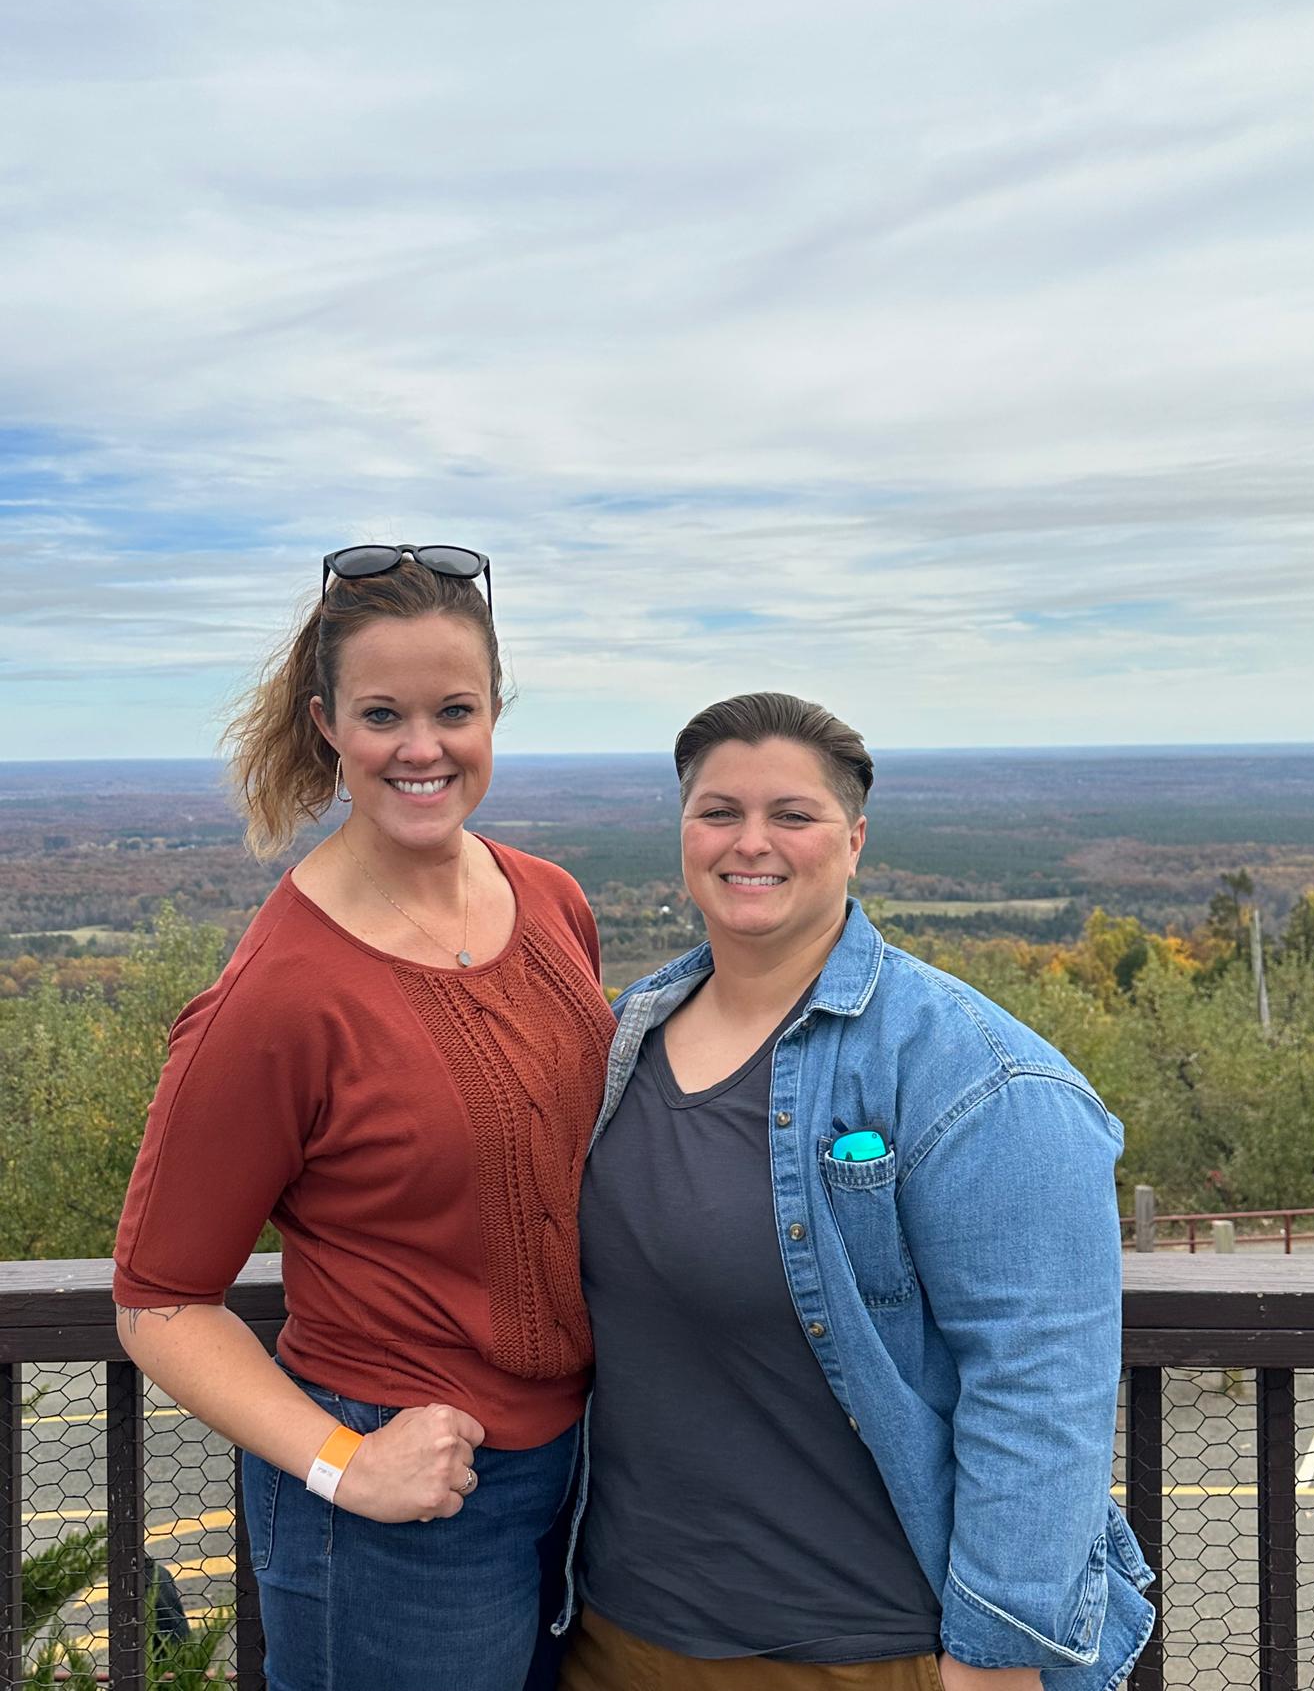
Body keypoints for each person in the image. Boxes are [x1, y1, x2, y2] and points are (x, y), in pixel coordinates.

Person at [560, 692, 1154, 1691]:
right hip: (619, 1632)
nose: (751, 842)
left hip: (864, 1650)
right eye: (719, 812)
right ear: (683, 834)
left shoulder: (981, 1080)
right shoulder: (625, 1040)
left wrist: (998, 1658)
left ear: (854, 839)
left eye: (792, 814)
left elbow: (1040, 1386)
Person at [113, 544, 615, 1691]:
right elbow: (158, 1301)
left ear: (496, 716)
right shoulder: (279, 998)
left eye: (455, 709)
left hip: (591, 1475)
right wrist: (348, 1467)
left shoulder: (550, 902)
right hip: (401, 1509)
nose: (422, 746)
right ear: (328, 723)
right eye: (383, 712)